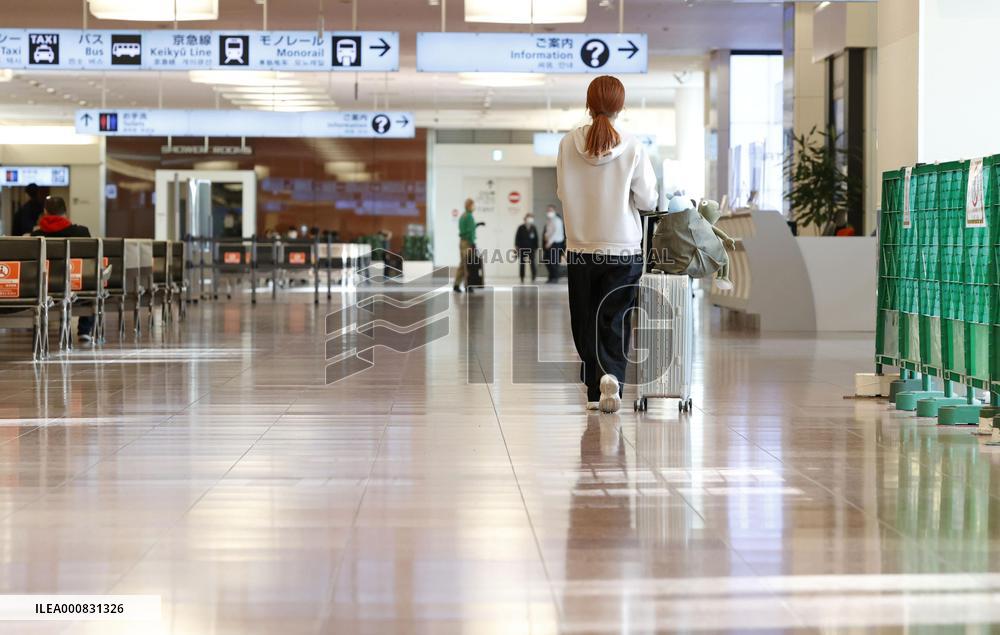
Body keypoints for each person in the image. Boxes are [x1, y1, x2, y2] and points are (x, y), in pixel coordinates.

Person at [557, 75, 657, 413]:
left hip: (581, 246)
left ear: (589, 104)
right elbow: (647, 199)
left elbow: (561, 192)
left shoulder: (568, 143)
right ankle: (610, 377)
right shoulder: (633, 145)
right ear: (621, 106)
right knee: (614, 319)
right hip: (623, 249)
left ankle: (591, 390)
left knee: (584, 319)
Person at [30, 196, 96, 343]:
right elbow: (91, 262)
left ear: (45, 211)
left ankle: (39, 327)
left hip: (43, 289)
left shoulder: (35, 237)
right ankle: (84, 330)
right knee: (90, 280)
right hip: (76, 286)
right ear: (65, 212)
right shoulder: (82, 233)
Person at [453, 198, 479, 293]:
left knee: (463, 263)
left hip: (462, 242)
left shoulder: (463, 216)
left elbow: (466, 229)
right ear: (469, 205)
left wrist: (477, 225)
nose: (474, 207)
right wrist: (472, 243)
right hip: (467, 242)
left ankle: (457, 284)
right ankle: (467, 285)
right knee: (468, 265)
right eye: (473, 205)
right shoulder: (469, 216)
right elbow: (470, 232)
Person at [543, 204, 565, 283]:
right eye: (548, 210)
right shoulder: (549, 220)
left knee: (553, 261)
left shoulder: (557, 220)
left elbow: (556, 233)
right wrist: (546, 236)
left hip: (555, 243)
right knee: (546, 259)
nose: (549, 212)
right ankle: (551, 276)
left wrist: (549, 242)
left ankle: (555, 278)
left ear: (554, 211)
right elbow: (548, 231)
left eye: (551, 210)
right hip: (549, 242)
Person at [514, 213, 539, 283]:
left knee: (532, 263)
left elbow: (536, 238)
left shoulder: (533, 228)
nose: (529, 219)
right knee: (522, 263)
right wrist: (516, 246)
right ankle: (522, 277)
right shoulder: (521, 227)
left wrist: (536, 247)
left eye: (531, 218)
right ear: (525, 219)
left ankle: (534, 276)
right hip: (522, 248)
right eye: (528, 218)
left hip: (531, 248)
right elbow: (517, 237)